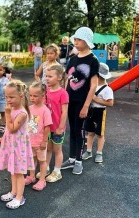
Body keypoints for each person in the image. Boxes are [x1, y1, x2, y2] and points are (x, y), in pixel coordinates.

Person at [61, 27, 99, 175]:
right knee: (72, 130)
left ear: (87, 42)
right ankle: (71, 159)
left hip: (82, 102)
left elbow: (94, 85)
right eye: (75, 40)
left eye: (78, 40)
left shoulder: (93, 60)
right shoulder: (73, 58)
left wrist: (86, 105)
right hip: (70, 100)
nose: (75, 42)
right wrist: (64, 97)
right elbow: (67, 78)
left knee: (79, 130)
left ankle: (78, 161)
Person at [0, 80, 34, 209]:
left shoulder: (22, 113)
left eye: (11, 97)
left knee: (19, 173)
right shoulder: (12, 109)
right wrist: (3, 138)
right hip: (12, 145)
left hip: (19, 147)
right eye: (6, 97)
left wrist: (6, 114)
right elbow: (8, 130)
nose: (8, 100)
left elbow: (12, 128)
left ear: (21, 96)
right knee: (13, 171)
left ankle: (20, 197)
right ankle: (13, 192)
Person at [82, 63, 114, 163]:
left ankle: (99, 153)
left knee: (100, 134)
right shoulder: (92, 86)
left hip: (100, 112)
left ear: (98, 75)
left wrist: (95, 99)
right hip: (91, 111)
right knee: (90, 132)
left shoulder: (107, 89)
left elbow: (110, 103)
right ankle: (88, 151)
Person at [25, 82, 52, 191]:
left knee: (42, 161)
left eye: (35, 96)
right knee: (31, 160)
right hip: (30, 141)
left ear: (43, 95)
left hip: (40, 142)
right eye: (30, 95)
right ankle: (31, 176)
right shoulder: (29, 108)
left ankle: (42, 180)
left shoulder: (45, 110)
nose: (32, 98)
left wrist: (44, 141)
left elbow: (47, 127)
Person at [44, 65, 69, 183]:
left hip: (57, 128)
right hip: (47, 127)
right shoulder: (46, 91)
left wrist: (60, 127)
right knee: (48, 148)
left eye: (50, 76)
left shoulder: (63, 93)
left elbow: (64, 112)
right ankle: (46, 168)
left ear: (59, 77)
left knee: (57, 150)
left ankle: (57, 171)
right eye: (46, 76)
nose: (47, 79)